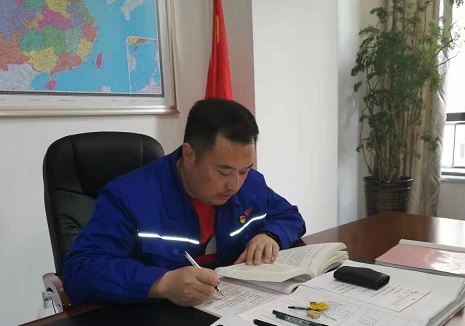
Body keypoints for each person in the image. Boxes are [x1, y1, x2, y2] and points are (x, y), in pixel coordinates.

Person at [64, 98, 306, 306]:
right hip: (154, 322)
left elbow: (289, 216)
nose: (234, 185)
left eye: (244, 170)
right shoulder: (128, 197)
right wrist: (160, 283)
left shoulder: (251, 184)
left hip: (230, 308)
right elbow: (80, 272)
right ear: (189, 154)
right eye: (223, 172)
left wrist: (271, 235)